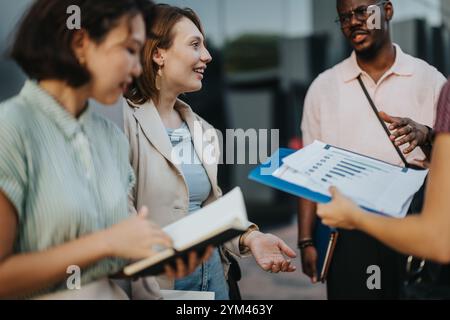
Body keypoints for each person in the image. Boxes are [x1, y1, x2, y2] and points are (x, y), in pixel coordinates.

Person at [0, 0, 208, 299]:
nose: (138, 68)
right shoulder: (10, 129)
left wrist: (160, 258)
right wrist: (107, 242)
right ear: (80, 41)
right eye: (130, 50)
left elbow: (109, 264)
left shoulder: (110, 138)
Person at [123, 4, 297, 300]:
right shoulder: (123, 123)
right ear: (158, 54)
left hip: (215, 284)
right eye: (195, 44)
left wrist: (250, 237)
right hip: (160, 290)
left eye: (204, 44)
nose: (208, 55)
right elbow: (120, 224)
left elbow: (211, 210)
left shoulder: (204, 130)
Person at [298, 0, 446, 299]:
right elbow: (308, 172)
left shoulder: (429, 80)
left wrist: (427, 135)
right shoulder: (323, 87)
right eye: (344, 18)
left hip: (413, 227)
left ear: (387, 11)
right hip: (348, 233)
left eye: (362, 11)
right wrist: (306, 241)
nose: (353, 22)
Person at [317, 78, 450, 264]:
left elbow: (439, 239)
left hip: (402, 226)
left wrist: (355, 217)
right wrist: (428, 137)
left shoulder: (435, 82)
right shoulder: (322, 86)